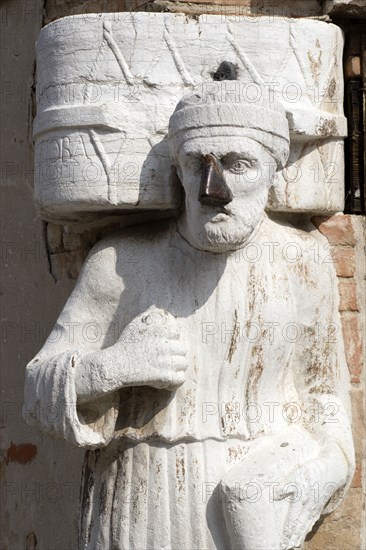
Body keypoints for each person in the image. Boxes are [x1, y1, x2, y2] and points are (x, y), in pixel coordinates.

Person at [24, 82, 354, 550]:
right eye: (198, 164)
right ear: (178, 171)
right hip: (139, 498)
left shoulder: (304, 262)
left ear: (274, 172)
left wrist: (320, 470)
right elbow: (37, 391)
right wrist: (110, 367)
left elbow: (324, 395)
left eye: (239, 165)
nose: (213, 189)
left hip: (251, 500)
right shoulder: (121, 263)